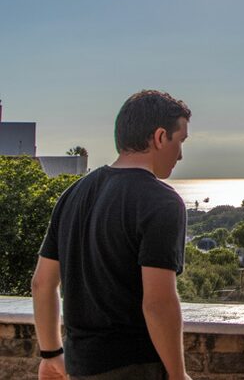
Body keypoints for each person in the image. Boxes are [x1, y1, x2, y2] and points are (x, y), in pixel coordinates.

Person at [32, 90, 193, 380]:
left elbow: (42, 283)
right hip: (134, 367)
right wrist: (178, 375)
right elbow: (158, 303)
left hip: (81, 366)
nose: (180, 154)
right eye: (180, 141)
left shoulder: (73, 194)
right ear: (159, 137)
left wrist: (50, 355)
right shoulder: (162, 201)